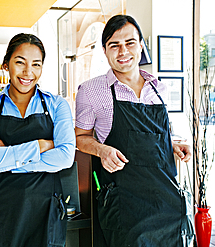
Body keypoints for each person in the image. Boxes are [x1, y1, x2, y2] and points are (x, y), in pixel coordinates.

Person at [75, 15, 194, 246]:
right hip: (124, 206)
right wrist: (102, 150)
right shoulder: (91, 91)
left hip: (167, 201)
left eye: (130, 43)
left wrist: (173, 145)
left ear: (141, 45)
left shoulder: (159, 88)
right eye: (114, 45)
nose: (123, 51)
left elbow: (156, 138)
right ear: (104, 50)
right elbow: (80, 138)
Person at [0, 33, 76, 247]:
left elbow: (65, 157)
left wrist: (7, 154)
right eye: (20, 62)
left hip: (45, 209)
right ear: (6, 65)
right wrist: (42, 146)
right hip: (0, 207)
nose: (28, 72)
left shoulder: (58, 106)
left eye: (36, 65)